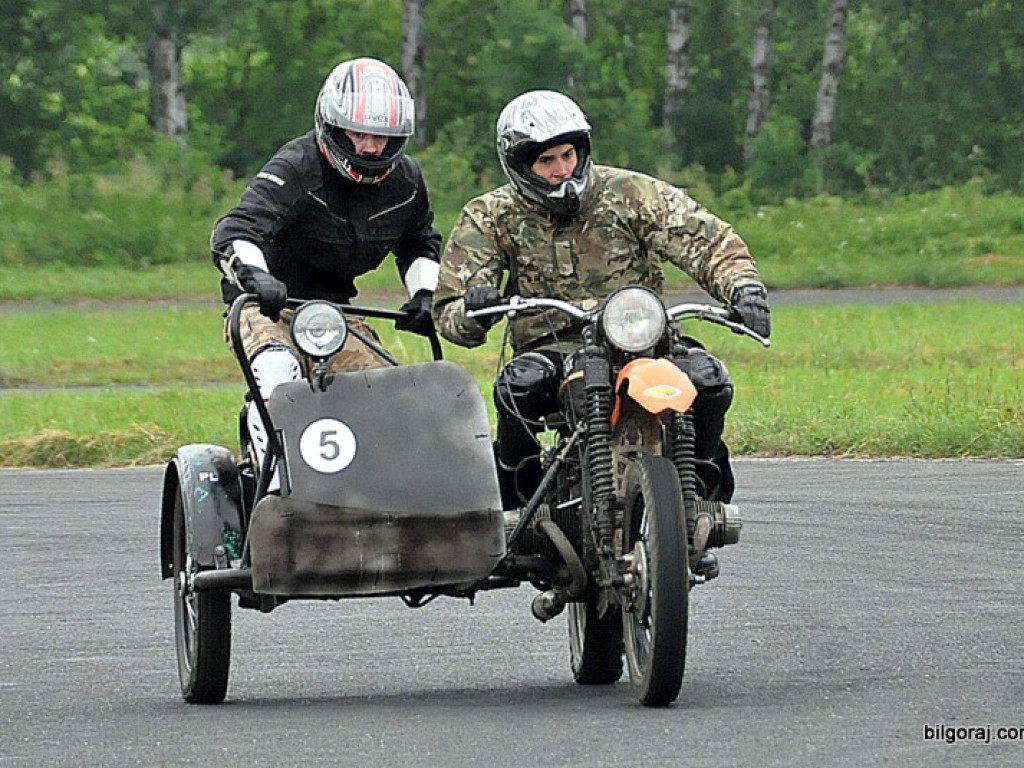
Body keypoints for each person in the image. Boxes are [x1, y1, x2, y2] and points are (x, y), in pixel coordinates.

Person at [432, 90, 771, 563]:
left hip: (644, 340)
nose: (561, 170)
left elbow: (704, 237)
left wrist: (743, 288)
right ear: (518, 165)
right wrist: (476, 303)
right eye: (546, 160)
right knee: (516, 388)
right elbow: (450, 310)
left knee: (709, 381)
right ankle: (522, 513)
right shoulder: (490, 215)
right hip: (552, 343)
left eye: (568, 155)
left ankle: (699, 507)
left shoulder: (630, 192)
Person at [211, 57, 442, 486]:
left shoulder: (407, 181)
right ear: (332, 127)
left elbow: (419, 242)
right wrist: (259, 279)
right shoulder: (298, 166)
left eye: (383, 137)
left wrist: (425, 295)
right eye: (359, 134)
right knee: (280, 371)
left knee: (386, 395)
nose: (371, 148)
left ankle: (381, 493)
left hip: (335, 313)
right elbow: (235, 231)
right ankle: (276, 488)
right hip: (264, 307)